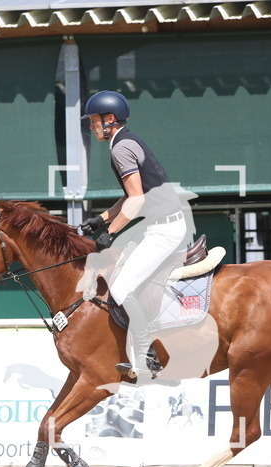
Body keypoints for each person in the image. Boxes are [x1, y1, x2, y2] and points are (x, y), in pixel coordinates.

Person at [80, 90, 190, 383]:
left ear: (110, 119)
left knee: (121, 287)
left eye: (93, 121)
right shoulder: (126, 140)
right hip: (161, 225)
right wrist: (101, 219)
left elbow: (137, 200)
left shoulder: (120, 148)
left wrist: (110, 233)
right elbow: (130, 196)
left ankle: (146, 356)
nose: (91, 126)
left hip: (164, 229)